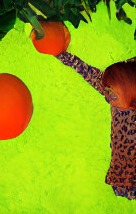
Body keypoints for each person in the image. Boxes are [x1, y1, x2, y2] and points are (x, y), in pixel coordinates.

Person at [54, 46, 136, 199]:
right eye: (107, 92)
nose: (107, 97)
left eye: (111, 96)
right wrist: (62, 55)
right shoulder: (117, 90)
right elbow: (88, 72)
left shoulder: (126, 90)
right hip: (120, 171)